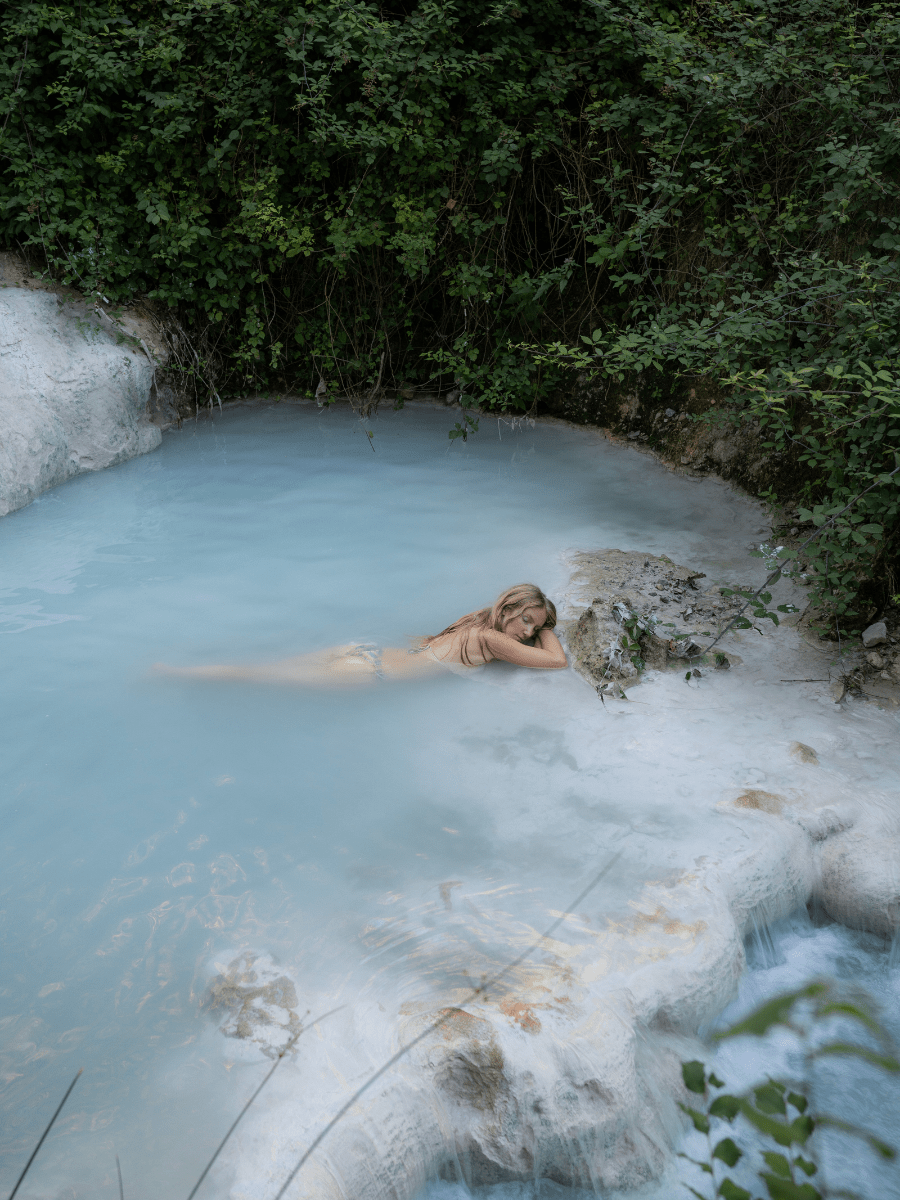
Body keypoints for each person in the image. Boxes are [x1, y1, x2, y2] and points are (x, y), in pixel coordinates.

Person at [154, 583, 567, 687]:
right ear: (508, 609)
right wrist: (550, 627)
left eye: (534, 625)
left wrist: (539, 618)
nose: (527, 632)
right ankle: (177, 674)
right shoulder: (496, 640)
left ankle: (177, 669)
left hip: (367, 653)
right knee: (258, 675)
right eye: (527, 620)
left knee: (260, 669)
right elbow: (557, 662)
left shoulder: (474, 621)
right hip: (368, 674)